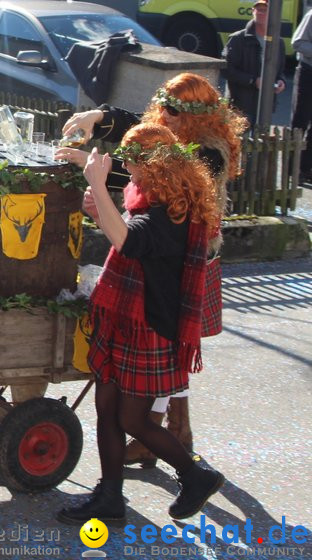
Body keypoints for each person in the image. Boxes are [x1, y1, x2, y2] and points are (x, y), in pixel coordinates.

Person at [58, 72, 246, 465]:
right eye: (163, 107)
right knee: (164, 349)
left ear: (198, 116)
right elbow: (141, 132)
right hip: (160, 245)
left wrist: (98, 171)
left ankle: (162, 434)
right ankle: (173, 428)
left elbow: (156, 174)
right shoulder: (173, 126)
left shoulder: (209, 154)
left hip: (188, 258)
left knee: (165, 345)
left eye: (174, 111)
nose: (165, 117)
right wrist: (99, 116)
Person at [57, 123, 225, 525]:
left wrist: (98, 186)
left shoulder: (175, 213)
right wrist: (102, 212)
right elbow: (130, 239)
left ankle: (196, 476)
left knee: (132, 419)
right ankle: (110, 496)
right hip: (124, 317)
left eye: (134, 169)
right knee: (105, 406)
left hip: (148, 326)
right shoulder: (154, 198)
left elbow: (132, 242)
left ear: (156, 170)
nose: (130, 176)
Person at [221, 0, 285, 124]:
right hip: (241, 105)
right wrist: (252, 81)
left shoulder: (278, 42)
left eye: (265, 10)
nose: (261, 13)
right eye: (258, 9)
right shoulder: (238, 39)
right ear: (252, 11)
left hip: (265, 105)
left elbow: (279, 71)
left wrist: (280, 81)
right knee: (239, 142)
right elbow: (226, 69)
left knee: (260, 142)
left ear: (273, 14)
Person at [291, 6, 312, 184]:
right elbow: (297, 42)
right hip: (308, 72)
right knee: (300, 121)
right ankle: (293, 169)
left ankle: (306, 168)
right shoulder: (311, 15)